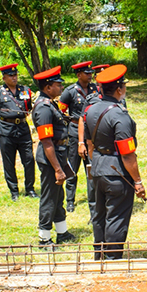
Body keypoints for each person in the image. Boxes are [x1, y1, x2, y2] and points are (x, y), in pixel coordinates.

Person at [84, 64, 146, 259]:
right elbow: (127, 154)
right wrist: (137, 181)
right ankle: (112, 260)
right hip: (117, 171)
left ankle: (99, 255)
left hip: (98, 168)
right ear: (120, 89)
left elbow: (89, 142)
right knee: (117, 218)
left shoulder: (91, 110)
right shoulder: (120, 115)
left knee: (99, 215)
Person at [32, 66, 76, 246]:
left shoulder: (50, 103)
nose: (61, 88)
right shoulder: (43, 108)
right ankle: (44, 237)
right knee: (49, 197)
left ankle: (62, 232)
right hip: (51, 158)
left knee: (58, 196)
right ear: (48, 87)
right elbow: (47, 141)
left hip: (58, 154)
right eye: (58, 85)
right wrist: (58, 168)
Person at [0, 64, 37, 201]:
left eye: (15, 75)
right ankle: (14, 190)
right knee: (9, 161)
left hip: (23, 128)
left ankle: (30, 188)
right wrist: (1, 121)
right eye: (10, 76)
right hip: (6, 129)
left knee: (29, 159)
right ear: (4, 78)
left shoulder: (25, 90)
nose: (14, 78)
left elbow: (29, 107)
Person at [58, 61, 98, 213]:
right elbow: (61, 112)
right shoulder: (70, 91)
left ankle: (93, 200)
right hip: (75, 132)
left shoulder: (95, 89)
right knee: (72, 168)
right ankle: (70, 200)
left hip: (92, 133)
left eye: (90, 73)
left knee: (91, 168)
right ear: (78, 74)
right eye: (86, 73)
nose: (90, 76)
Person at [77, 63, 110, 221]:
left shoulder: (118, 98)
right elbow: (82, 121)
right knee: (93, 181)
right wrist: (81, 143)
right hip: (93, 146)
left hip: (111, 147)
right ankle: (95, 214)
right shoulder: (90, 99)